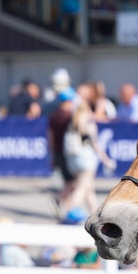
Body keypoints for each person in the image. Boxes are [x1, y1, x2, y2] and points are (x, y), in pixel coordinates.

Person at [62, 87, 116, 215]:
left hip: (73, 159)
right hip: (86, 159)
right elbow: (95, 145)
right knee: (83, 187)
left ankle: (95, 214)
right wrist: (106, 160)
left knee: (89, 189)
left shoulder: (72, 122)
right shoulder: (87, 123)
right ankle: (70, 211)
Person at [47, 87, 77, 215]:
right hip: (68, 154)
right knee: (73, 182)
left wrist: (52, 153)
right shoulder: (70, 116)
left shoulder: (54, 116)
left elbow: (50, 136)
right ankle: (58, 199)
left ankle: (68, 209)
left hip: (57, 152)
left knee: (67, 181)